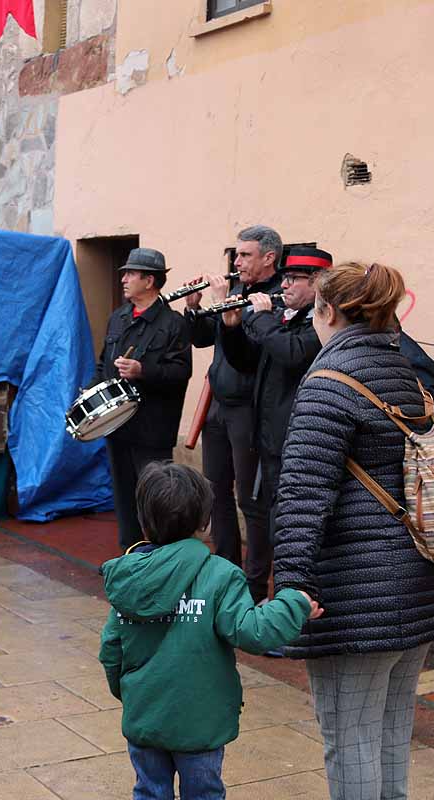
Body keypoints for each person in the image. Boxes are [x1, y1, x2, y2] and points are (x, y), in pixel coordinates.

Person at [273, 262, 434, 800]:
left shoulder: (329, 382)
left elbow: (301, 496)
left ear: (329, 310)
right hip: (420, 580)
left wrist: (290, 584)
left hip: (362, 591)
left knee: (348, 734)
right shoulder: (405, 371)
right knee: (389, 728)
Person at [99, 461, 322, 800]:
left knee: (149, 791)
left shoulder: (127, 578)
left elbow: (111, 649)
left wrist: (131, 694)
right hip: (201, 723)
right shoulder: (220, 575)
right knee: (203, 793)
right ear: (205, 523)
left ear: (143, 522)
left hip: (145, 716)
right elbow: (253, 631)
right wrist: (295, 603)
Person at [218, 245, 331, 604]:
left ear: (318, 282)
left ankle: (293, 605)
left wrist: (261, 318)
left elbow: (293, 353)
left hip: (298, 445)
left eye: (294, 278)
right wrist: (233, 328)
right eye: (284, 278)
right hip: (268, 440)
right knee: (268, 520)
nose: (285, 286)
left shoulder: (324, 323)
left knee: (292, 530)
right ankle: (264, 598)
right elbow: (248, 361)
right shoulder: (288, 317)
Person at [182, 225, 282, 597]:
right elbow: (206, 338)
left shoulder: (274, 299)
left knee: (251, 501)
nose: (236, 262)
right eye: (236, 255)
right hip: (218, 409)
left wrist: (231, 315)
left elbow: (245, 358)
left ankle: (255, 586)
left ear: (269, 258)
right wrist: (194, 310)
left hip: (249, 412)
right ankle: (225, 575)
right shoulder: (239, 290)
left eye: (245, 255)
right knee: (215, 491)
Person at [92, 248, 192, 549]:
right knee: (123, 495)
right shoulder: (118, 318)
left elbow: (181, 372)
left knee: (157, 496)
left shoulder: (173, 323)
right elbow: (102, 363)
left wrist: (142, 370)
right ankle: (130, 556)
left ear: (149, 281)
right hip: (117, 424)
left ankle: (161, 557)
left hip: (152, 428)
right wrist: (91, 391)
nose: (123, 279)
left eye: (130, 274)